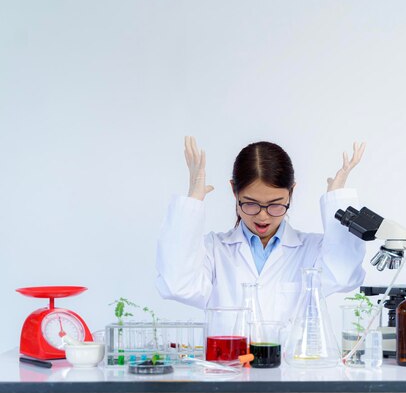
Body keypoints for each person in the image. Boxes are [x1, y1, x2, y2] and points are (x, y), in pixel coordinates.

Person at [155, 136, 367, 324]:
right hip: (230, 366)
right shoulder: (214, 249)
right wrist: (192, 202)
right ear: (233, 190)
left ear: (291, 192)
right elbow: (177, 285)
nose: (263, 216)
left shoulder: (311, 250)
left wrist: (337, 202)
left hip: (290, 367)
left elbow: (343, 277)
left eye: (275, 204)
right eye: (250, 203)